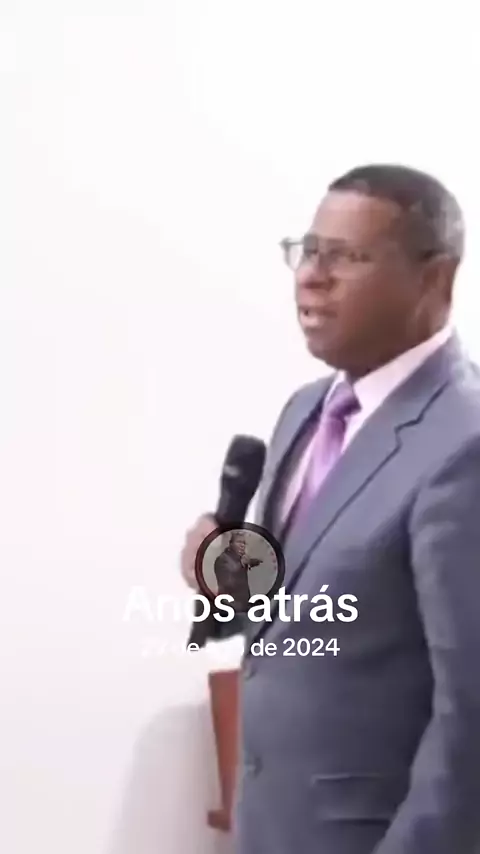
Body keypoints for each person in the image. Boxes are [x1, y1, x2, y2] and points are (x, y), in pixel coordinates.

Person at [180, 163, 480, 854]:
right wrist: (225, 578)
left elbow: (471, 715)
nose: (312, 277)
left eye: (346, 256)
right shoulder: (306, 410)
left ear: (435, 278)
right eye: (307, 250)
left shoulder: (464, 444)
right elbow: (308, 615)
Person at [213, 531, 261, 610]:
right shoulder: (222, 559)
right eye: (239, 542)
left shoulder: (239, 559)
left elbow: (239, 565)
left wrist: (254, 561)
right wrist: (241, 564)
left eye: (244, 543)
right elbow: (227, 582)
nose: (242, 545)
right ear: (231, 544)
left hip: (243, 606)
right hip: (228, 606)